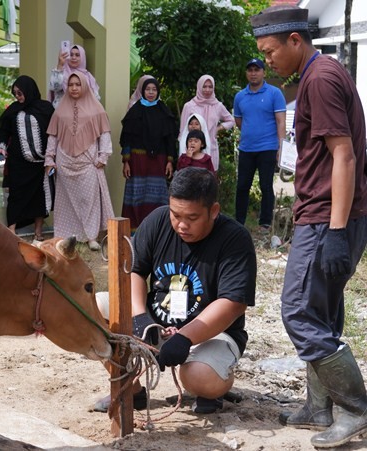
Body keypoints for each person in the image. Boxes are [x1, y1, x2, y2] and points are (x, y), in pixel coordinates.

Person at [251, 6, 367, 448]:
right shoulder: (325, 72)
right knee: (320, 313)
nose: (267, 61)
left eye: (270, 51)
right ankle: (319, 407)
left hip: (326, 218)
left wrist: (336, 230)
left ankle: (356, 409)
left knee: (298, 310)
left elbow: (344, 155)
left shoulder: (318, 79)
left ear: (295, 40)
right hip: (331, 215)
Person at [94, 168, 256, 414]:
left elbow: (232, 303)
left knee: (199, 377)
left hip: (212, 334)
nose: (181, 225)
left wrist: (185, 337)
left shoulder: (235, 239)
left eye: (191, 218)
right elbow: (134, 271)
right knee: (93, 308)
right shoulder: (158, 220)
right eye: (175, 214)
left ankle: (212, 386)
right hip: (156, 323)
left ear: (213, 211)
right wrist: (140, 319)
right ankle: (131, 388)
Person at [45, 71, 114, 251]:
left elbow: (104, 134)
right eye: (71, 85)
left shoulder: (97, 108)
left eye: (78, 84)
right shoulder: (60, 109)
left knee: (88, 200)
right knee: (65, 202)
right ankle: (66, 236)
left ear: (84, 85)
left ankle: (91, 236)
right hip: (65, 162)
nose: (74, 88)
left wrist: (103, 155)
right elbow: (53, 135)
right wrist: (49, 158)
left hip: (88, 161)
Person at [0, 75, 55, 241]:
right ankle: (11, 231)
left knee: (39, 197)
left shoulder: (46, 108)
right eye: (15, 94)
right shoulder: (13, 110)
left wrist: (52, 156)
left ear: (29, 90)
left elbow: (54, 132)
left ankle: (38, 233)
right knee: (16, 196)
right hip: (18, 163)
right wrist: (1, 148)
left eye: (20, 93)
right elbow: (4, 131)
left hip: (40, 164)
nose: (18, 97)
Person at [233, 58, 286, 229]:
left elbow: (280, 122)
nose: (253, 73)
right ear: (246, 73)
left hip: (268, 148)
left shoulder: (274, 93)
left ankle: (265, 223)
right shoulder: (240, 96)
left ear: (264, 72)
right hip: (247, 148)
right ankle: (238, 222)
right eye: (250, 70)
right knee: (242, 186)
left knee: (265, 186)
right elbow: (239, 120)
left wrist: (281, 146)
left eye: (257, 70)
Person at [120, 76, 177, 233]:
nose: (151, 93)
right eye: (147, 89)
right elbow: (127, 139)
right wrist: (126, 161)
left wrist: (170, 161)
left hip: (158, 163)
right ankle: (134, 233)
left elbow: (170, 141)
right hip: (137, 162)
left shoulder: (164, 112)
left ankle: (157, 230)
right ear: (142, 91)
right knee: (136, 196)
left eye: (154, 89)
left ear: (158, 91)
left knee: (158, 197)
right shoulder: (134, 112)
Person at [179, 75, 235, 171]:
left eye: (210, 87)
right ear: (199, 87)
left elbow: (231, 120)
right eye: (204, 86)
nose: (207, 90)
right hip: (192, 151)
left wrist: (218, 128)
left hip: (211, 148)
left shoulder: (217, 106)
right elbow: (183, 132)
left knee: (210, 180)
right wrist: (185, 153)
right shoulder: (189, 106)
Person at [48, 43, 100, 108]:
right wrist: (60, 64)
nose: (74, 57)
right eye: (71, 55)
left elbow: (95, 98)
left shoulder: (88, 76)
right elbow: (55, 87)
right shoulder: (61, 72)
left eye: (77, 55)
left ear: (83, 57)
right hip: (63, 112)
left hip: (83, 112)